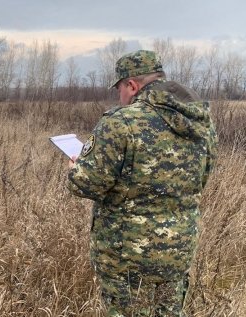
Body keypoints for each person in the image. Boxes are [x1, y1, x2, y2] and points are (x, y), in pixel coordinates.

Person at [67, 50, 217, 316]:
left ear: (132, 85)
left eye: (119, 89)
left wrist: (76, 167)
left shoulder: (122, 122)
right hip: (178, 250)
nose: (119, 96)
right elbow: (202, 178)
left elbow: (86, 184)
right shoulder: (200, 124)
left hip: (128, 257)